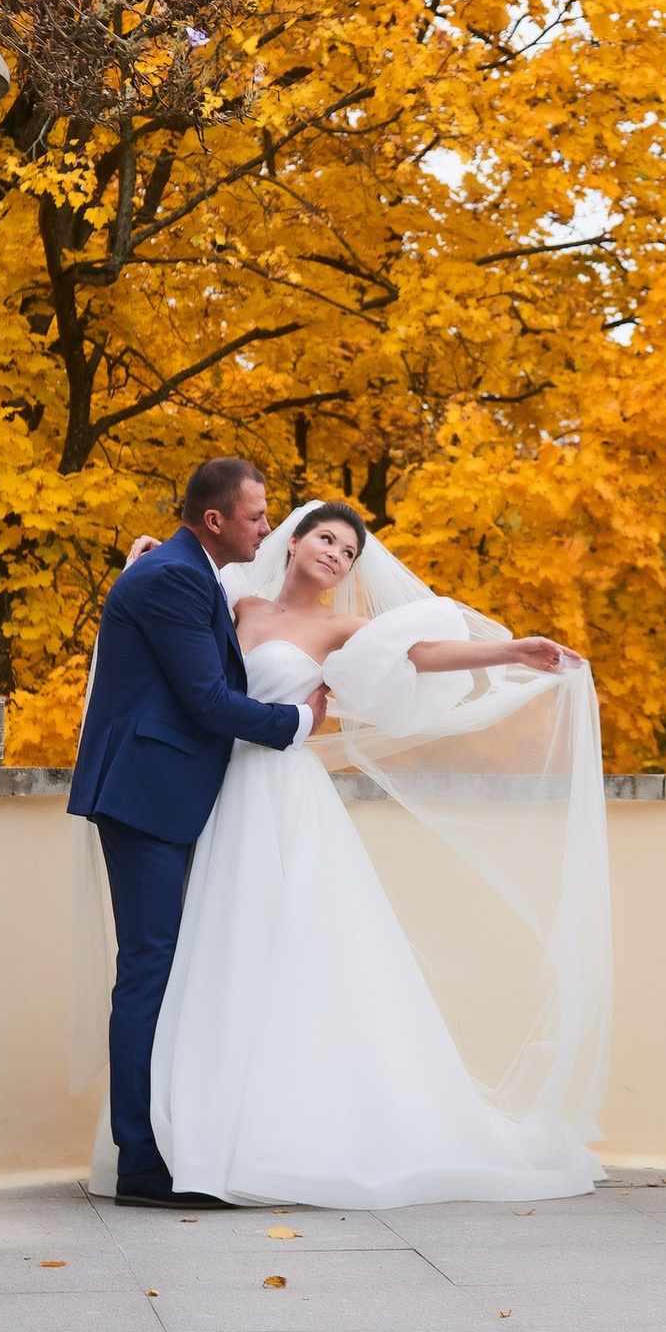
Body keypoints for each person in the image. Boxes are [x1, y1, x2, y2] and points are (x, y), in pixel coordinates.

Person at [147, 493, 611, 1209]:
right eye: (326, 538)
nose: (335, 554)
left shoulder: (341, 627)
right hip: (221, 788)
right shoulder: (236, 602)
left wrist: (513, 648)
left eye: (349, 551)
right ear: (294, 540)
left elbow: (424, 655)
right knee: (222, 946)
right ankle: (211, 1127)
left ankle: (288, 1133)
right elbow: (179, 604)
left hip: (284, 792)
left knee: (294, 948)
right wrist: (146, 551)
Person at [69, 457, 330, 1207]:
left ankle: (166, 1141)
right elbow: (210, 700)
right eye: (255, 515)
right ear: (214, 520)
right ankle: (143, 1165)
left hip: (162, 792)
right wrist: (297, 722)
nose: (265, 524)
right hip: (148, 794)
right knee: (149, 970)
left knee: (163, 968)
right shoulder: (177, 577)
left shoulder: (185, 570)